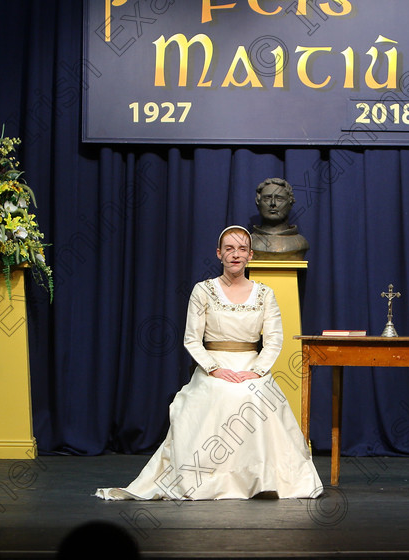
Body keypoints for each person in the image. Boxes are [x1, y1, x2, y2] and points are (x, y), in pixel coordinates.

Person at [95, 225, 322, 500]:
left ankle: (261, 477)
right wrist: (215, 369)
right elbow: (192, 339)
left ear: (250, 255)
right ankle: (209, 479)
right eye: (229, 249)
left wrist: (257, 371)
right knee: (222, 393)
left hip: (251, 366)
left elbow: (274, 339)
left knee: (256, 396)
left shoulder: (265, 294)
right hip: (214, 365)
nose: (235, 255)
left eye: (241, 249)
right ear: (219, 254)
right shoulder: (203, 291)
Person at [251, 178, 310, 260]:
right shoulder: (248, 243)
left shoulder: (300, 243)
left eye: (279, 199)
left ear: (290, 203)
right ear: (258, 202)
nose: (273, 203)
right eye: (267, 198)